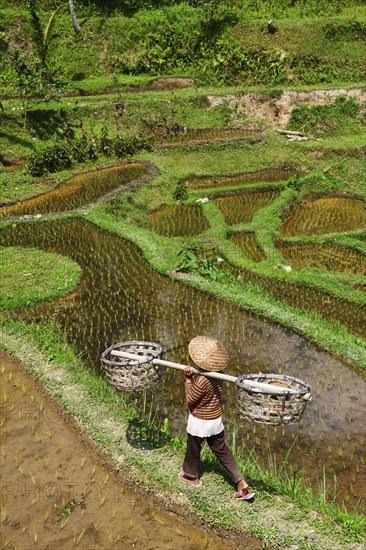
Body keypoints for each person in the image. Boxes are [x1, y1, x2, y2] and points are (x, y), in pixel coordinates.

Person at [178, 335, 255, 500]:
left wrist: (188, 379)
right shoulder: (220, 374)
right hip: (215, 420)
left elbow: (190, 400)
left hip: (201, 422)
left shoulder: (202, 380)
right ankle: (240, 481)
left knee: (193, 449)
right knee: (222, 451)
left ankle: (191, 477)